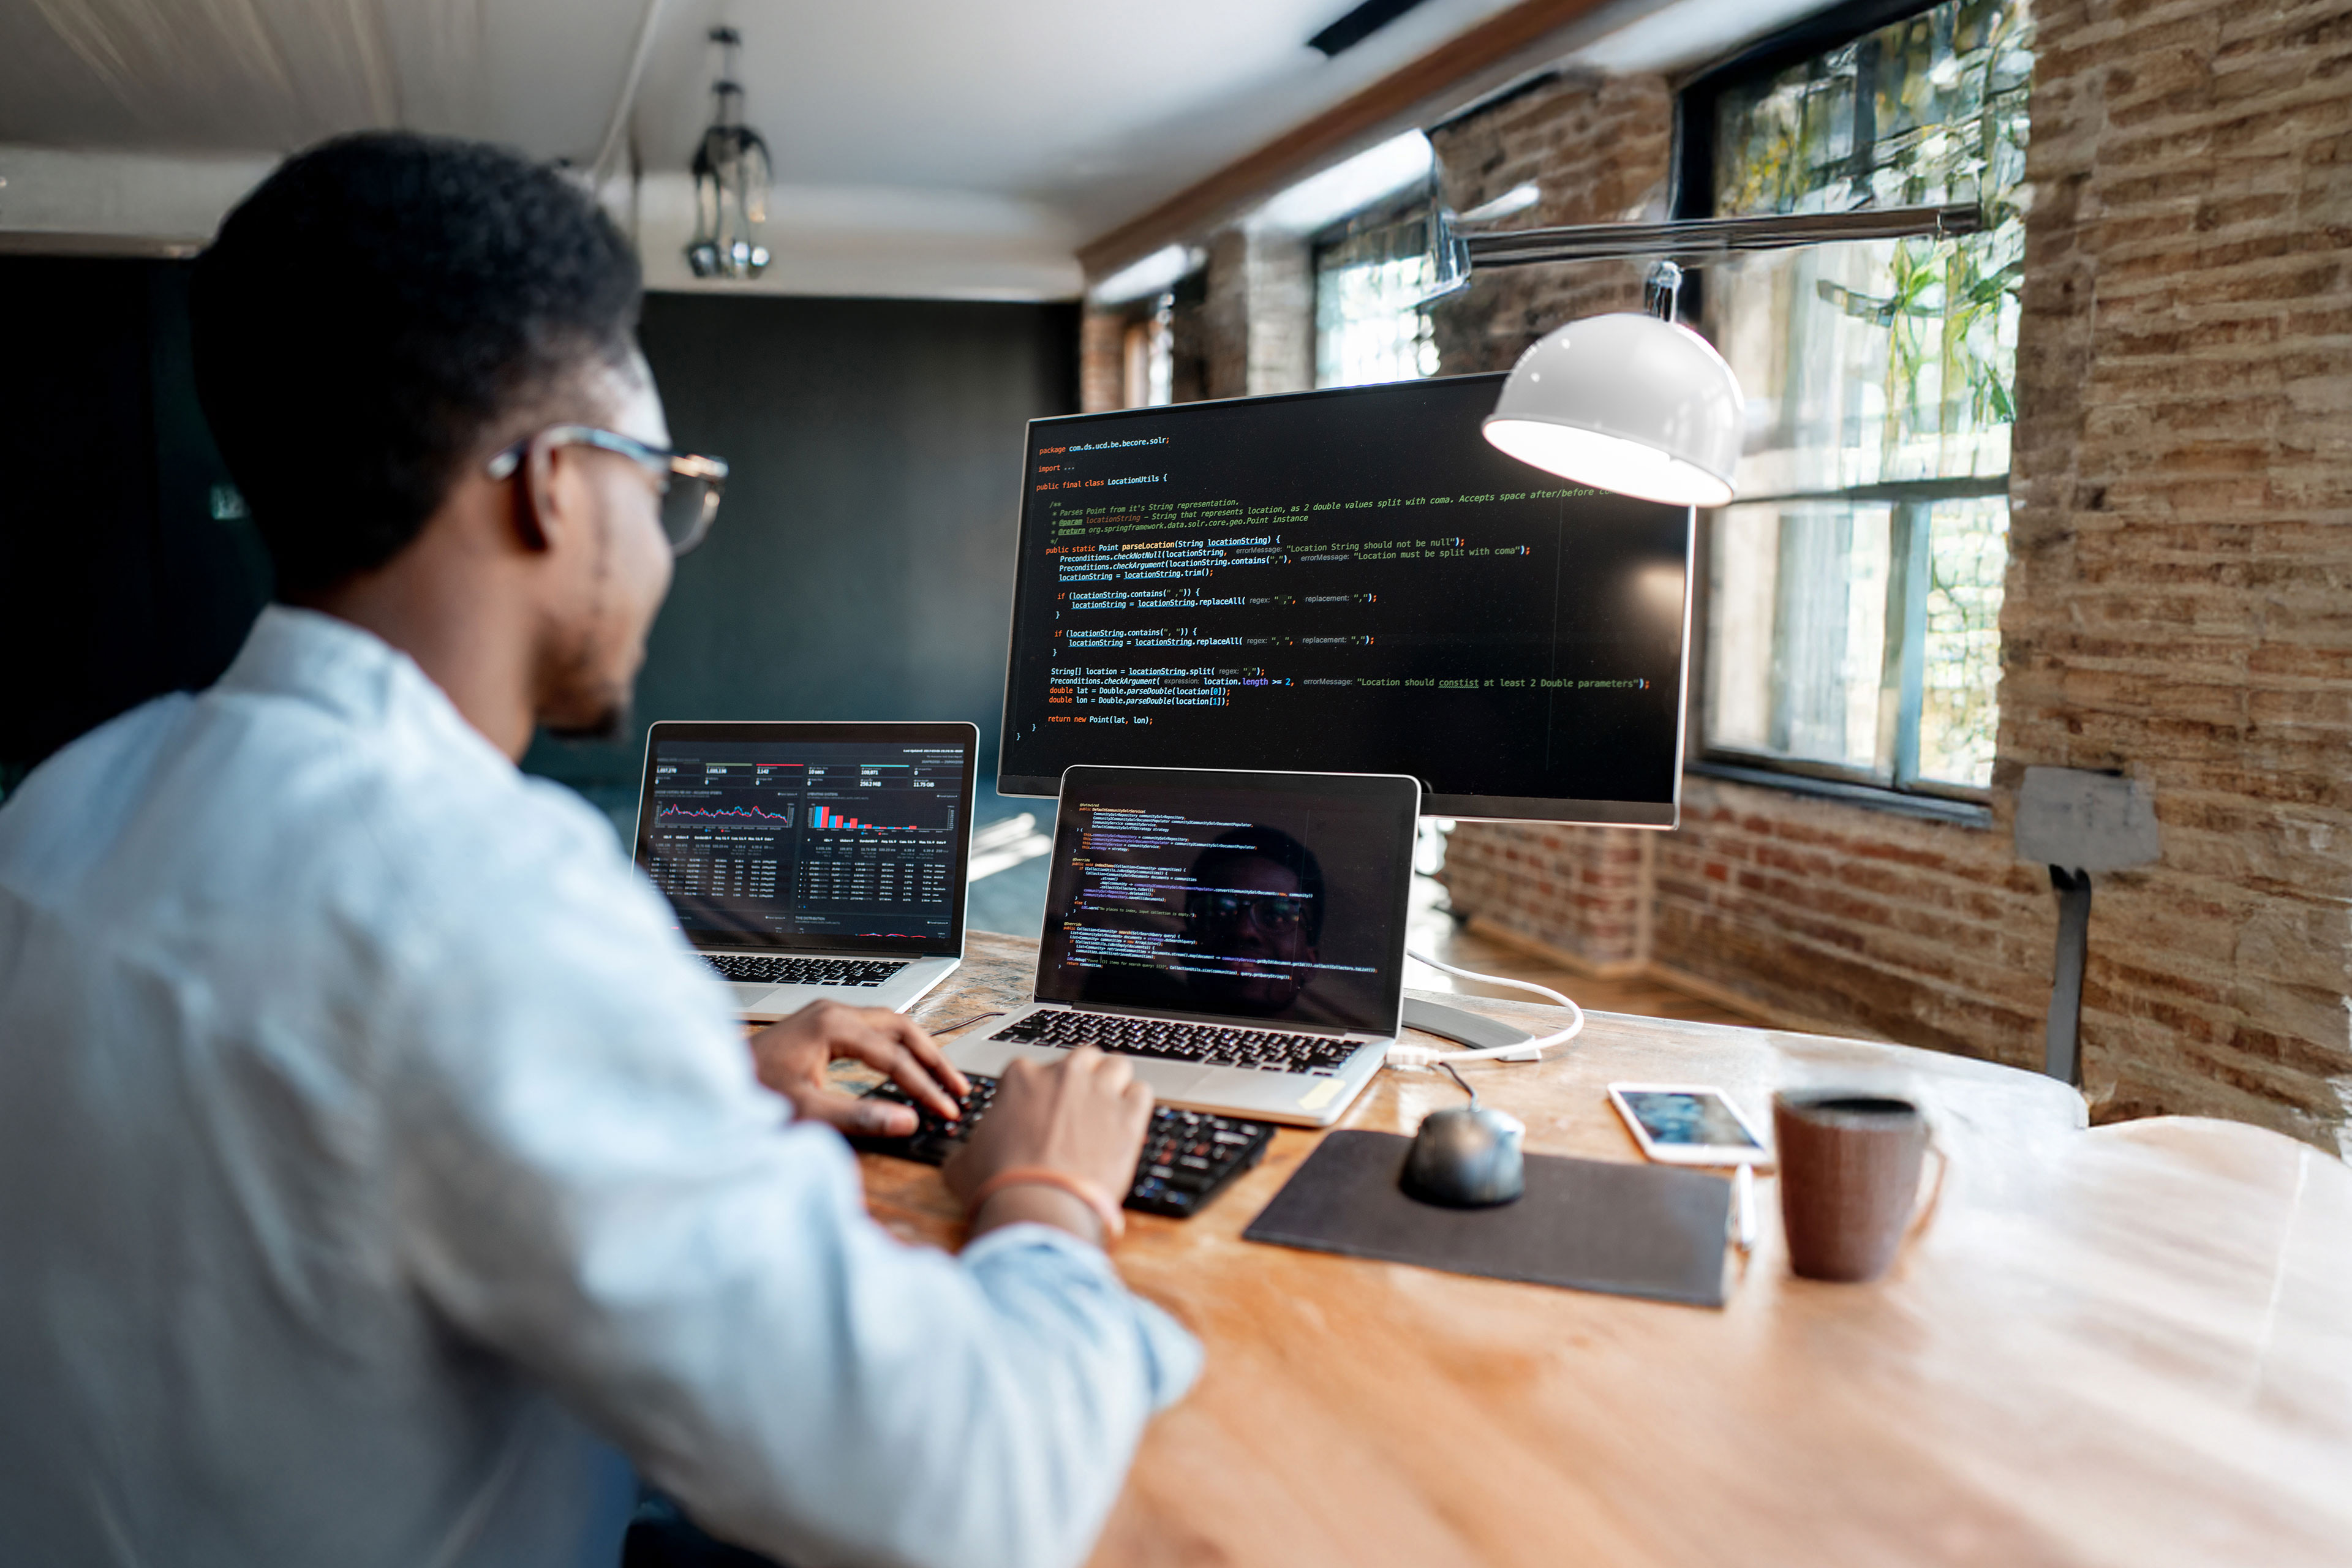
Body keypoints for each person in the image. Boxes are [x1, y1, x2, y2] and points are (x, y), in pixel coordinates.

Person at [0, 133, 1194, 1568]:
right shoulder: (487, 892)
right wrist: (1047, 1187)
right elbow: (965, 1492)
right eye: (663, 479)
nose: (667, 536)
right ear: (553, 482)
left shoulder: (64, 810)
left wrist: (694, 1079)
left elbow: (311, 1137)